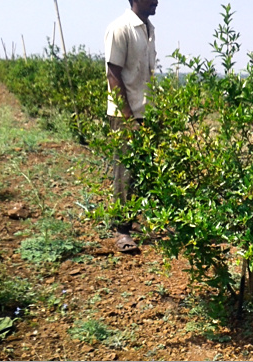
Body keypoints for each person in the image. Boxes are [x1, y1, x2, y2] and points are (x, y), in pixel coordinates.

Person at [105, 0, 158, 252]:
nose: (157, 1)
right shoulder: (120, 28)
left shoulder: (149, 29)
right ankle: (121, 231)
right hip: (125, 113)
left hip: (144, 111)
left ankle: (132, 220)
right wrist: (128, 117)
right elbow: (113, 74)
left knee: (139, 170)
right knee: (125, 170)